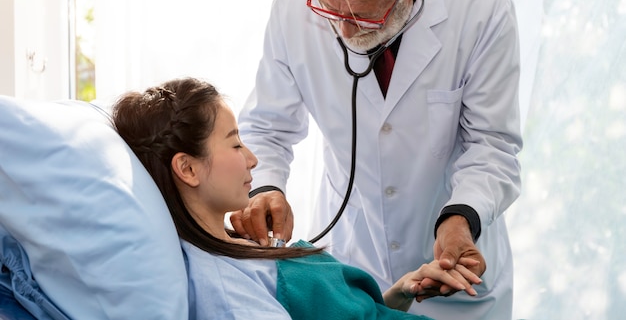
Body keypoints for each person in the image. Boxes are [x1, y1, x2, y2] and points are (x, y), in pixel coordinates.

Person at [232, 0, 523, 319]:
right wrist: (265, 188)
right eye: (329, 7)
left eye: (364, 14)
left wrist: (460, 219)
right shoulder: (291, 10)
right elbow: (267, 127)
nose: (344, 30)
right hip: (355, 258)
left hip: (457, 272)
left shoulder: (481, 10)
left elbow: (492, 144)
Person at [111, 77, 482, 320]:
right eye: (236, 143)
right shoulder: (223, 286)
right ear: (188, 169)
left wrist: (402, 291)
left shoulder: (241, 246)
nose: (253, 158)